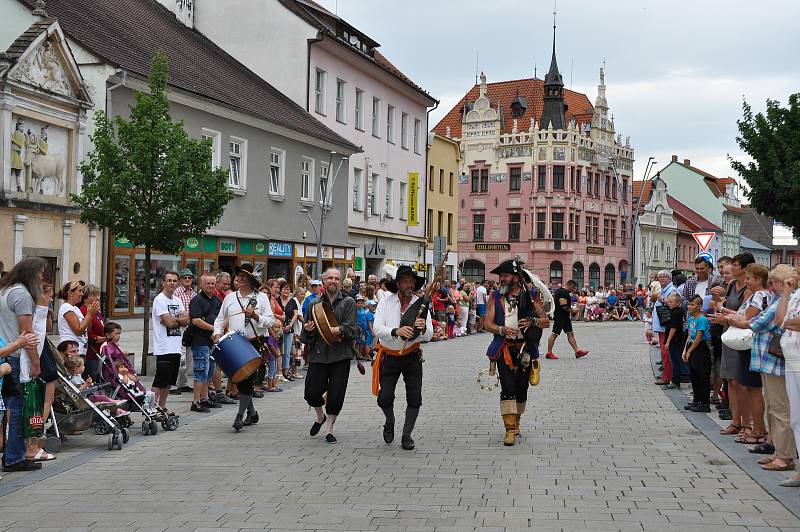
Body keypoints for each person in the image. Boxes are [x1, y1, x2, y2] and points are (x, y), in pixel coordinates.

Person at [726, 264, 795, 470]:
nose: (770, 286)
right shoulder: (776, 299)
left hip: (774, 362)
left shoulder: (782, 301)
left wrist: (731, 318)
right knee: (773, 408)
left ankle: (785, 455)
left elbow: (757, 323)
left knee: (780, 410)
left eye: (773, 282)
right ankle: (777, 451)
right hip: (766, 362)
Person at [484, 259, 549, 446]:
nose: (501, 279)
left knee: (521, 389)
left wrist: (532, 321)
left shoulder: (531, 295)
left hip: (525, 349)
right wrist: (501, 330)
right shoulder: (495, 296)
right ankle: (509, 429)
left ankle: (517, 421)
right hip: (504, 348)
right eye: (500, 276)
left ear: (516, 277)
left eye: (505, 276)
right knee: (507, 387)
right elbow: (487, 324)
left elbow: (545, 322)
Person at [372, 265, 432, 450]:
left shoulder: (421, 304)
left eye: (412, 281)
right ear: (398, 283)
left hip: (412, 357)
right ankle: (390, 421)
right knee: (384, 398)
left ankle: (407, 435)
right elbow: (377, 329)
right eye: (406, 281)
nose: (410, 284)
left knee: (414, 398)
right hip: (389, 357)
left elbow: (429, 334)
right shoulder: (385, 302)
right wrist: (395, 331)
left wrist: (422, 328)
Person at [0, 257, 49, 472]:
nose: (42, 277)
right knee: (19, 408)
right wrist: (36, 362)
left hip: (6, 351)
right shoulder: (21, 294)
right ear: (31, 273)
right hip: (16, 356)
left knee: (9, 408)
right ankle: (14, 457)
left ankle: (11, 454)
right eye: (40, 272)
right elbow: (27, 333)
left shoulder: (6, 290)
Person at [213, 264, 275, 431]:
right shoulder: (230, 298)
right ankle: (252, 412)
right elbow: (220, 319)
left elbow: (271, 321)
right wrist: (217, 333)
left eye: (243, 276)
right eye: (237, 276)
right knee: (239, 379)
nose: (238, 279)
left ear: (250, 280)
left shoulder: (260, 298)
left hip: (254, 343)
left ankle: (239, 416)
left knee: (247, 379)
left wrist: (255, 315)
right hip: (235, 344)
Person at [300, 268, 357, 444]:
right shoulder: (313, 304)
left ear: (341, 282)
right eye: (330, 278)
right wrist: (308, 330)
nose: (333, 280)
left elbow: (352, 329)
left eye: (336, 278)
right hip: (319, 354)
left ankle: (329, 429)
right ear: (323, 281)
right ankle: (320, 417)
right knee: (311, 392)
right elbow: (305, 336)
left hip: (341, 354)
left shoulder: (348, 302)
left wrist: (337, 329)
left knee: (336, 394)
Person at [710, 253, 756, 439]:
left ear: (745, 268)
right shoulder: (731, 285)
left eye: (735, 265)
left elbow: (745, 314)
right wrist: (719, 303)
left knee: (740, 382)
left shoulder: (749, 288)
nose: (731, 268)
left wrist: (722, 312)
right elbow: (726, 304)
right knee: (730, 380)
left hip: (741, 337)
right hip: (729, 335)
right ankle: (735, 421)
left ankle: (747, 423)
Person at [150, 271, 189, 415]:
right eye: (169, 280)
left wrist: (175, 320)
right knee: (160, 380)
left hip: (176, 347)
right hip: (163, 347)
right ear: (163, 283)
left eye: (174, 281)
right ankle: (151, 407)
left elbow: (186, 320)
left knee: (169, 382)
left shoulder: (177, 301)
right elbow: (168, 323)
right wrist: (176, 319)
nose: (172, 283)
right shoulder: (159, 300)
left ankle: (162, 406)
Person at [774, 271, 800, 486]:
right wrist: (786, 293)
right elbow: (779, 319)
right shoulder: (795, 295)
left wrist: (786, 323)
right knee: (796, 418)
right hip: (792, 360)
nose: (797, 270)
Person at [188, 273, 222, 413]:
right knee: (200, 371)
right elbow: (195, 320)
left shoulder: (217, 300)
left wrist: (219, 332)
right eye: (208, 283)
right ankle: (196, 401)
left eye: (213, 283)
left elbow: (222, 318)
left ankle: (205, 398)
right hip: (199, 340)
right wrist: (214, 329)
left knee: (209, 371)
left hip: (213, 341)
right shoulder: (197, 300)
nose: (211, 286)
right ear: (201, 284)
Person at [682, 294, 713, 411]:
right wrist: (685, 350)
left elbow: (699, 337)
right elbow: (690, 335)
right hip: (691, 346)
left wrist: (689, 351)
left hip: (700, 348)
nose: (689, 306)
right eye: (689, 304)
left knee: (702, 376)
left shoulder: (702, 319)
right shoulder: (691, 319)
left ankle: (705, 403)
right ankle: (696, 400)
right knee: (693, 375)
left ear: (699, 306)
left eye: (692, 304)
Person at [546, 280, 589, 360]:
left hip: (565, 317)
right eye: (573, 289)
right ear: (570, 285)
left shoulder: (560, 291)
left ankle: (577, 351)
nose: (573, 291)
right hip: (560, 317)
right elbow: (563, 305)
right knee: (554, 334)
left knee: (570, 333)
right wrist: (573, 310)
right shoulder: (563, 293)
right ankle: (549, 353)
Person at [652, 270, 679, 386]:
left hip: (666, 325)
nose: (662, 279)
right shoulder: (665, 289)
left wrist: (660, 298)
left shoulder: (672, 290)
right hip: (663, 325)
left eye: (664, 277)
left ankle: (667, 377)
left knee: (666, 352)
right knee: (664, 352)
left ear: (670, 278)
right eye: (660, 277)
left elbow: (671, 303)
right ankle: (666, 375)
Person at [58, 280, 97, 360]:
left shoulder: (75, 308)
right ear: (71, 293)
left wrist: (91, 314)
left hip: (80, 349)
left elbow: (87, 329)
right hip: (71, 350)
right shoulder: (66, 307)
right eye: (79, 291)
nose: (82, 294)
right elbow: (78, 330)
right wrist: (89, 315)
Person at [172, 268, 196, 395]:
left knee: (188, 356)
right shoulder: (177, 293)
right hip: (180, 326)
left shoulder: (193, 293)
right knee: (180, 355)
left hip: (191, 326)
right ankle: (175, 384)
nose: (187, 280)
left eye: (189, 278)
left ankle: (183, 383)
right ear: (180, 280)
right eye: (184, 278)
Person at [79, 284, 105, 383]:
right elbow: (87, 333)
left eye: (98, 295)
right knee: (91, 378)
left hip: (99, 350)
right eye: (93, 295)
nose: (97, 298)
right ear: (85, 297)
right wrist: (103, 338)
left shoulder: (96, 311)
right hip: (90, 351)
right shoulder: (84, 311)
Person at [663, 293, 686, 389]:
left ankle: (675, 381)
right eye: (668, 302)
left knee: (674, 361)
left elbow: (673, 328)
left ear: (678, 303)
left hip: (674, 340)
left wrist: (668, 342)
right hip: (678, 339)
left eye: (671, 302)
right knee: (676, 360)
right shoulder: (679, 311)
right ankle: (676, 379)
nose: (669, 304)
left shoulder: (675, 313)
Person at [279, 280, 299, 382]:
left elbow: (296, 314)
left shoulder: (293, 301)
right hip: (278, 328)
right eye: (284, 288)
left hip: (289, 327)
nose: (286, 290)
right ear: (280, 290)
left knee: (287, 351)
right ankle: (279, 372)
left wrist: (290, 324)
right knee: (279, 351)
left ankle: (286, 371)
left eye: (288, 289)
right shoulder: (277, 300)